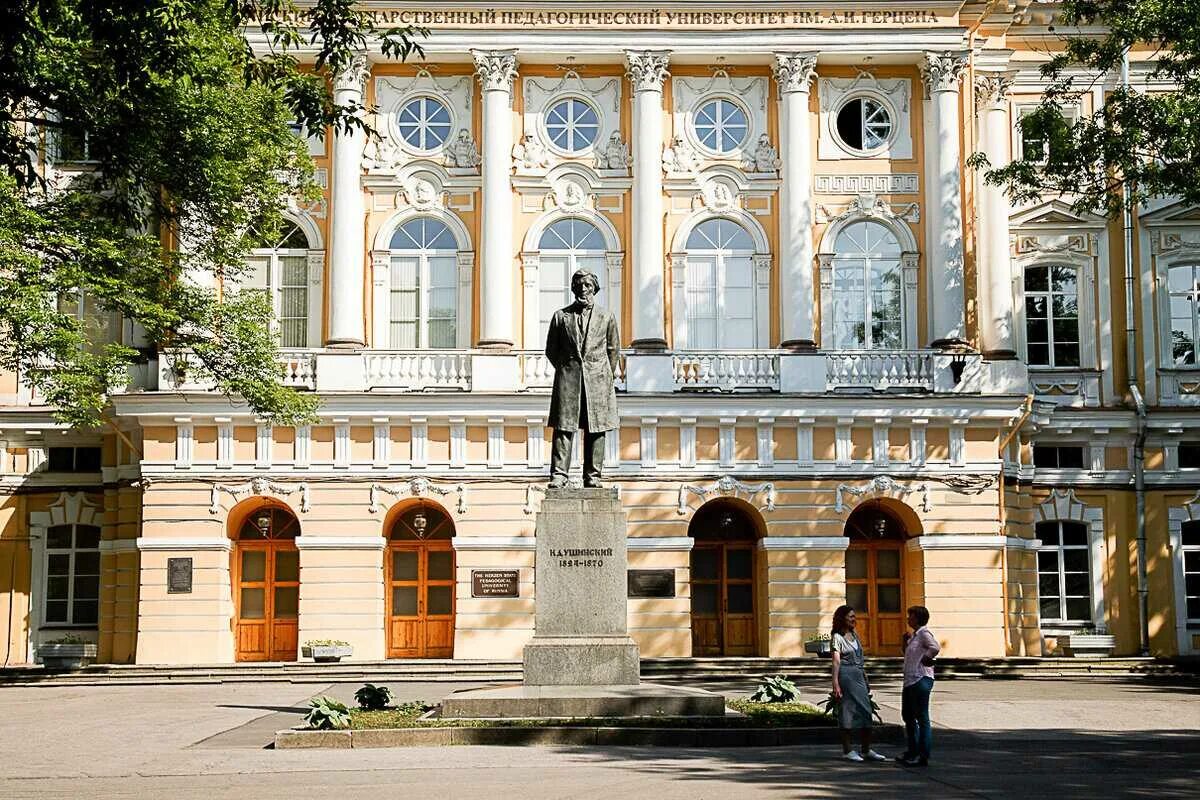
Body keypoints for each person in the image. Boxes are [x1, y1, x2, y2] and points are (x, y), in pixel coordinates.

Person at [544, 269, 620, 488]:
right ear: (573, 288)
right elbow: (551, 350)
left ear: (594, 288)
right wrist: (569, 368)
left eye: (587, 285)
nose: (582, 289)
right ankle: (559, 474)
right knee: (563, 428)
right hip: (568, 380)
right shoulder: (561, 316)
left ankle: (593, 476)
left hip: (598, 381)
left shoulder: (607, 317)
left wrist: (602, 375)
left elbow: (613, 350)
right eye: (578, 285)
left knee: (596, 429)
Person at [830, 604, 886, 762]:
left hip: (859, 675)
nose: (854, 619)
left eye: (854, 616)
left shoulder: (855, 635)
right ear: (842, 618)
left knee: (866, 711)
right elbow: (835, 662)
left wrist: (865, 677)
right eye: (851, 616)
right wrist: (835, 683)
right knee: (847, 710)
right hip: (846, 676)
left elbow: (861, 660)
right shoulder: (837, 637)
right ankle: (847, 750)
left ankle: (866, 749)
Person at [897, 605, 940, 767]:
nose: (908, 618)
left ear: (918, 618)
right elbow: (910, 655)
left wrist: (927, 658)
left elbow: (935, 647)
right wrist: (905, 643)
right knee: (907, 715)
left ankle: (923, 754)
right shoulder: (915, 636)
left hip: (921, 679)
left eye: (911, 616)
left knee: (921, 716)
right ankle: (912, 750)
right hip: (910, 680)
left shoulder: (923, 633)